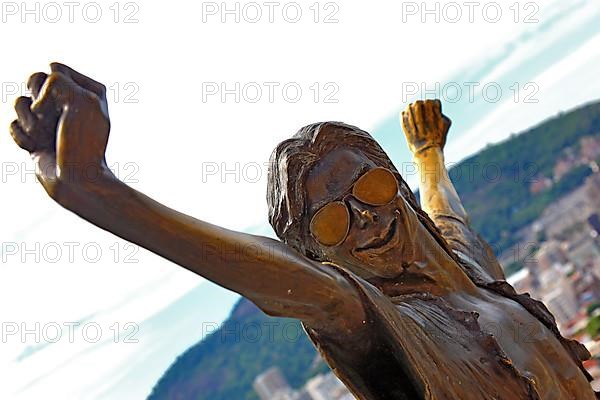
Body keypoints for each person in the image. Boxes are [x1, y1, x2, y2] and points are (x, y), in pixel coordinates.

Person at [10, 63, 597, 399]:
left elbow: (447, 213)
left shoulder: (471, 274)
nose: (366, 216)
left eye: (369, 189)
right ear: (321, 257)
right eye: (334, 218)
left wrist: (427, 154)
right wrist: (97, 191)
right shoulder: (388, 323)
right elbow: (300, 288)